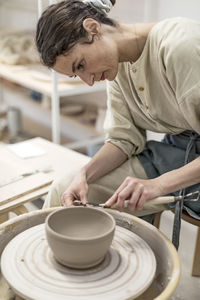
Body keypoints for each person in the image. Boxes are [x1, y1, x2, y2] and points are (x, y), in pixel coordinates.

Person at [36, 0, 200, 248]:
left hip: (186, 163)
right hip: (175, 153)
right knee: (63, 190)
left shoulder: (178, 45)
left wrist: (157, 185)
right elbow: (124, 140)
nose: (88, 81)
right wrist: (84, 174)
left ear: (93, 28)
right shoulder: (115, 67)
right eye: (76, 75)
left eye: (81, 65)